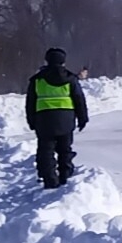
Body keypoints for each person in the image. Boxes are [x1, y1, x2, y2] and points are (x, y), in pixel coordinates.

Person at [26, 47, 89, 189]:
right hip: (66, 119)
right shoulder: (70, 78)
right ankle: (65, 176)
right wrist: (83, 118)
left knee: (45, 151)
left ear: (47, 60)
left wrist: (31, 120)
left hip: (44, 119)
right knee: (65, 149)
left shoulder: (37, 80)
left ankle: (49, 179)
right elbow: (79, 99)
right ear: (64, 61)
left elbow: (30, 101)